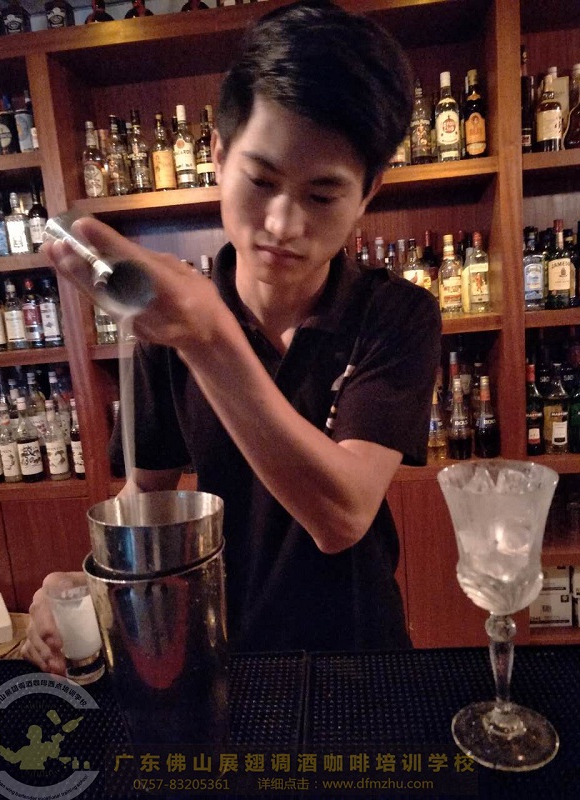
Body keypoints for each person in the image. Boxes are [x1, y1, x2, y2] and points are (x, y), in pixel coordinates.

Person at [22, 0, 441, 674]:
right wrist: (87, 581)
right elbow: (146, 495)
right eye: (262, 180)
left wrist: (207, 336)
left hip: (362, 655)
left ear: (369, 193)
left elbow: (342, 516)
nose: (282, 223)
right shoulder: (175, 319)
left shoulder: (395, 315)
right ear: (218, 156)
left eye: (322, 195)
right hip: (219, 649)